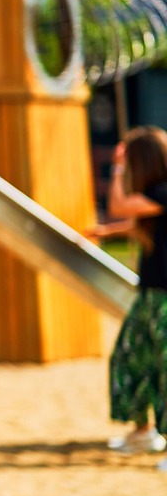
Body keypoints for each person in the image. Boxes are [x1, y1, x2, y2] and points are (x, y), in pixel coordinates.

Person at [87, 125, 167, 464]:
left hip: (164, 295)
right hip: (150, 294)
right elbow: (140, 224)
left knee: (164, 366)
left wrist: (116, 168)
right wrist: (106, 232)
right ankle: (142, 431)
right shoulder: (157, 195)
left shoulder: (164, 191)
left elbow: (120, 205)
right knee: (129, 357)